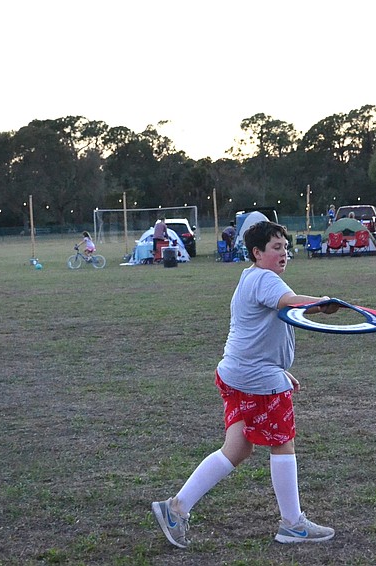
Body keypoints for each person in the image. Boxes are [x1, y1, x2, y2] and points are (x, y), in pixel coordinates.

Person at [152, 221, 338, 549]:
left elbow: (258, 330)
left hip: (235, 373)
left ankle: (176, 508)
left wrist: (280, 370)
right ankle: (292, 524)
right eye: (276, 248)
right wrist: (320, 303)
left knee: (237, 448)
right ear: (257, 252)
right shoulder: (266, 279)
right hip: (256, 379)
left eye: (285, 248)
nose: (284, 254)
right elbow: (288, 302)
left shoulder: (250, 276)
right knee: (283, 443)